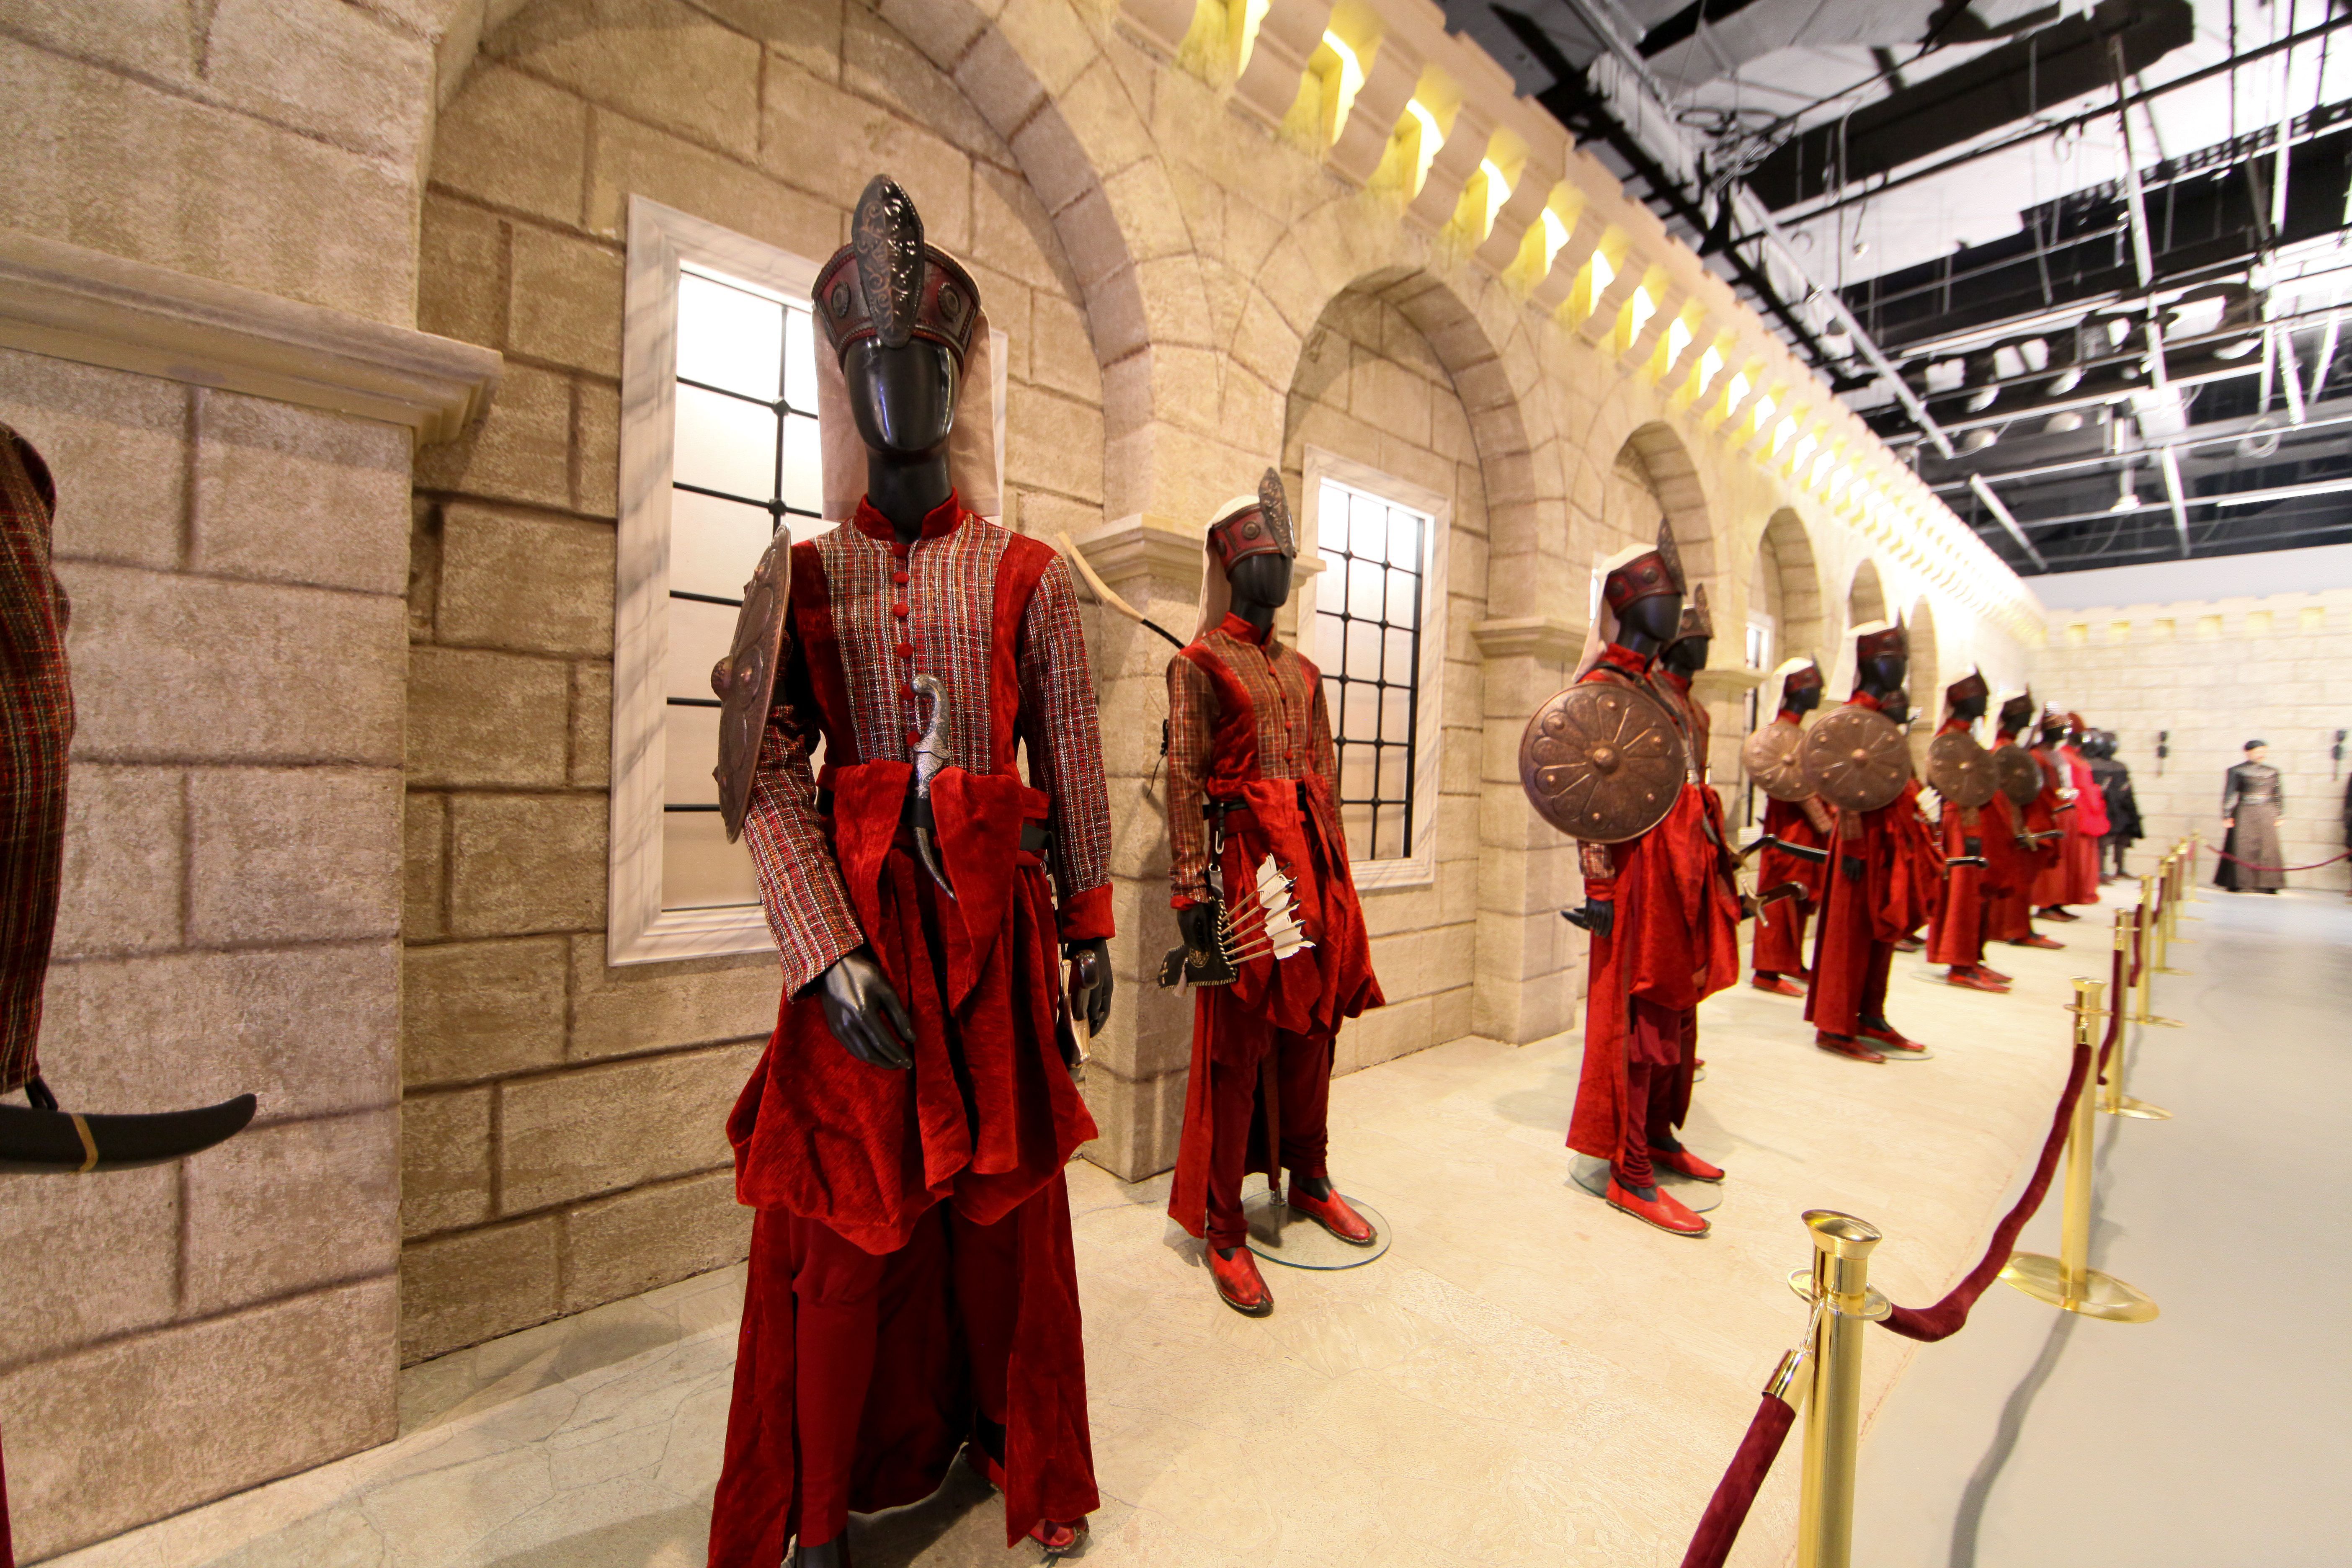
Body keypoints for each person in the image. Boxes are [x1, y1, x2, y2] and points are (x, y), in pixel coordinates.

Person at [708, 178, 1108, 1567]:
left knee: (1003, 1218)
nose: (899, 392)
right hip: (863, 942)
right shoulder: (801, 581)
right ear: (845, 382)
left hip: (995, 935)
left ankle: (1021, 1452)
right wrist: (822, 948)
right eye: (872, 366)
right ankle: (818, 1519)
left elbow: (1069, 746)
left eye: (923, 365)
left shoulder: (1030, 576)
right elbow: (763, 770)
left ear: (955, 379)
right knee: (845, 1233)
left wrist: (1092, 923)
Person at [1163, 475, 1383, 1316]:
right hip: (1241, 867)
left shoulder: (1306, 670)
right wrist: (1192, 897)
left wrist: (1334, 874)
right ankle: (1224, 1225)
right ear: (1232, 562)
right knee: (1237, 1048)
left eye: (1288, 559)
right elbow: (1186, 782)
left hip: (1313, 863)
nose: (1281, 572)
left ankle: (1311, 1174)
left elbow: (1321, 775)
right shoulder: (1197, 664)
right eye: (1266, 559)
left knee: (1316, 1028)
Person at [1561, 529, 1740, 1238]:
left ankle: (1660, 1133)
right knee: (1637, 1020)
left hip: (1684, 865)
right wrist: (1600, 885)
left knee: (1677, 1009)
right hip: (1637, 872)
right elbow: (1583, 794)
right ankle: (1628, 1169)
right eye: (1669, 600)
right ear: (1632, 603)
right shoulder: (1601, 688)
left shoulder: (1658, 686)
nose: (1679, 614)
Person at [1806, 620, 1940, 1063]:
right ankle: (1837, 1024)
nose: (1899, 665)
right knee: (1851, 931)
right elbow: (1841, 786)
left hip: (1886, 838)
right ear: (1867, 663)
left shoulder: (1881, 713)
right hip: (1859, 842)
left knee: (1881, 931)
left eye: (1901, 657)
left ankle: (1870, 1014)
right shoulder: (1852, 717)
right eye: (1889, 657)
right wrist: (1855, 844)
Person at [1924, 671, 2012, 993]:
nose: (1984, 703)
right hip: (1962, 823)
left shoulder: (1964, 738)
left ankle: (1973, 957)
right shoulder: (1948, 740)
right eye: (1978, 697)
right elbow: (1961, 791)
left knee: (1976, 897)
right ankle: (1960, 964)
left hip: (1971, 823)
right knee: (1962, 895)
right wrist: (1973, 829)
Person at [1750, 658, 1831, 996]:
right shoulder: (1780, 735)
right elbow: (1798, 786)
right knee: (1782, 893)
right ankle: (1767, 972)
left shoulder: (1800, 733)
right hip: (1789, 828)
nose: (1820, 692)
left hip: (1804, 830)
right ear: (1797, 690)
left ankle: (1791, 962)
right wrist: (1826, 823)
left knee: (1802, 897)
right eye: (1813, 686)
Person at [1990, 691, 2063, 950]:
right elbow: (2010, 794)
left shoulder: (2010, 748)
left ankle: (2020, 927)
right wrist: (2022, 826)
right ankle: (2017, 929)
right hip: (2015, 822)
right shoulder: (2003, 749)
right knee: (2018, 881)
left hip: (2021, 821)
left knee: (2022, 882)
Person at [2216, 740, 2286, 892]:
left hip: (2266, 811)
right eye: (2258, 751)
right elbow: (2230, 793)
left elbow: (2278, 794)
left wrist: (2280, 814)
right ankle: (2238, 882)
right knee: (2241, 846)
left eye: (2264, 751)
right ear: (2248, 753)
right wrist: (2227, 815)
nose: (2262, 755)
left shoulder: (2272, 771)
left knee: (2268, 848)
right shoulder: (2237, 771)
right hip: (2244, 811)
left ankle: (2269, 884)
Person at [2083, 730, 2141, 879]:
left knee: (2123, 837)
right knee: (2103, 841)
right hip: (2105, 807)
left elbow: (2126, 790)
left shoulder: (2119, 766)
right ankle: (2100, 871)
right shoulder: (2090, 765)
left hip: (2120, 808)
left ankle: (2120, 868)